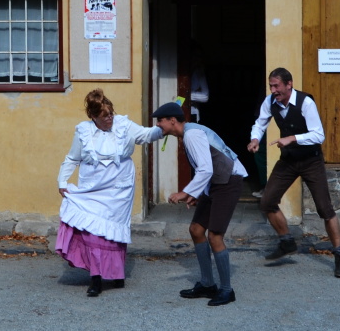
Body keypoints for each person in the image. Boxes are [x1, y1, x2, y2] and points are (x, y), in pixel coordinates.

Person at [55, 89, 163, 297]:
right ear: (93, 116)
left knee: (111, 233)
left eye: (111, 113)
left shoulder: (124, 125)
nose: (110, 118)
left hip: (118, 189)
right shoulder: (83, 131)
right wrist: (62, 180)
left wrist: (163, 128)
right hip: (92, 188)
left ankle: (116, 274)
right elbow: (72, 158)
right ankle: (96, 278)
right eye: (105, 116)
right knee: (93, 233)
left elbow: (146, 134)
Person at [247, 67, 340, 278]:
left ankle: (339, 254)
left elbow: (318, 135)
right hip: (289, 160)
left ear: (289, 84)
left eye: (277, 86)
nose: (274, 90)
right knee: (267, 201)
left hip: (311, 160)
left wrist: (292, 138)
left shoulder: (306, 103)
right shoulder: (270, 102)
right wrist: (255, 138)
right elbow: (260, 122)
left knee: (325, 208)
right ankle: (286, 242)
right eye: (271, 86)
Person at [153, 102, 248, 307]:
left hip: (228, 181)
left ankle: (226, 290)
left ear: (172, 121)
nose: (158, 125)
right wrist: (198, 193)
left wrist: (185, 192)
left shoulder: (191, 135)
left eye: (160, 121)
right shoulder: (188, 133)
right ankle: (207, 284)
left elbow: (205, 169)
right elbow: (206, 168)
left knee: (215, 236)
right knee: (196, 229)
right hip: (215, 183)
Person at [189, 45, 209, 123]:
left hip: (193, 113)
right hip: (180, 113)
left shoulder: (199, 73)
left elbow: (205, 96)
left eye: (199, 56)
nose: (197, 59)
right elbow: (177, 101)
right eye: (195, 55)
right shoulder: (179, 72)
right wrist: (195, 93)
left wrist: (186, 96)